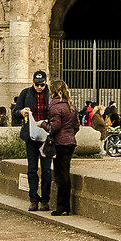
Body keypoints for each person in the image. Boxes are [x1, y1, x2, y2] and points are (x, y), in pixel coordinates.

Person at [12, 69, 52, 210]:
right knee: (32, 169)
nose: (39, 87)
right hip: (31, 135)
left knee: (47, 170)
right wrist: (21, 112)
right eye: (37, 84)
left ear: (46, 82)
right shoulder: (25, 93)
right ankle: (33, 199)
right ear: (33, 82)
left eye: (42, 84)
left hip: (47, 137)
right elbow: (15, 111)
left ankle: (45, 200)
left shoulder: (51, 95)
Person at [44, 83, 79, 215]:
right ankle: (65, 206)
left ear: (53, 91)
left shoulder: (55, 106)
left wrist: (43, 124)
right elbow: (76, 126)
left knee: (61, 176)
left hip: (60, 143)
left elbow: (54, 127)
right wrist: (69, 135)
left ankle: (62, 206)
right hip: (70, 142)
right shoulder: (70, 105)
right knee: (65, 173)